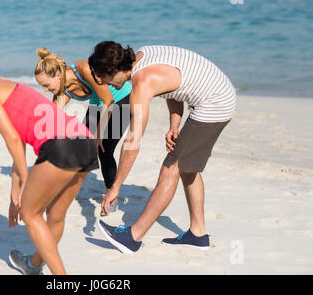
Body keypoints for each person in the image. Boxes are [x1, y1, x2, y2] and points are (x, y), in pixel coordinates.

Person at [89, 41, 236, 253]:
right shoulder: (143, 54)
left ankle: (132, 237)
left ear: (115, 71)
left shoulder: (143, 81)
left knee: (171, 168)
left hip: (214, 103)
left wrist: (115, 187)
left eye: (103, 77)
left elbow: (133, 142)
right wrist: (174, 124)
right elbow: (173, 90)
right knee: (187, 167)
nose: (103, 83)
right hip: (218, 94)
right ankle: (198, 233)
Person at [0, 61, 98, 275]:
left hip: (60, 146)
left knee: (31, 214)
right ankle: (33, 265)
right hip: (84, 141)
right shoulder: (13, 87)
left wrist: (25, 178)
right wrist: (15, 189)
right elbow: (20, 143)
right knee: (56, 214)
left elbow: (12, 139)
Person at [34, 47, 132, 213]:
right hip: (98, 104)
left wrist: (99, 135)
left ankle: (110, 195)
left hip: (120, 99)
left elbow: (108, 100)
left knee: (104, 150)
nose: (44, 90)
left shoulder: (84, 69)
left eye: (46, 86)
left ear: (58, 75)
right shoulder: (60, 88)